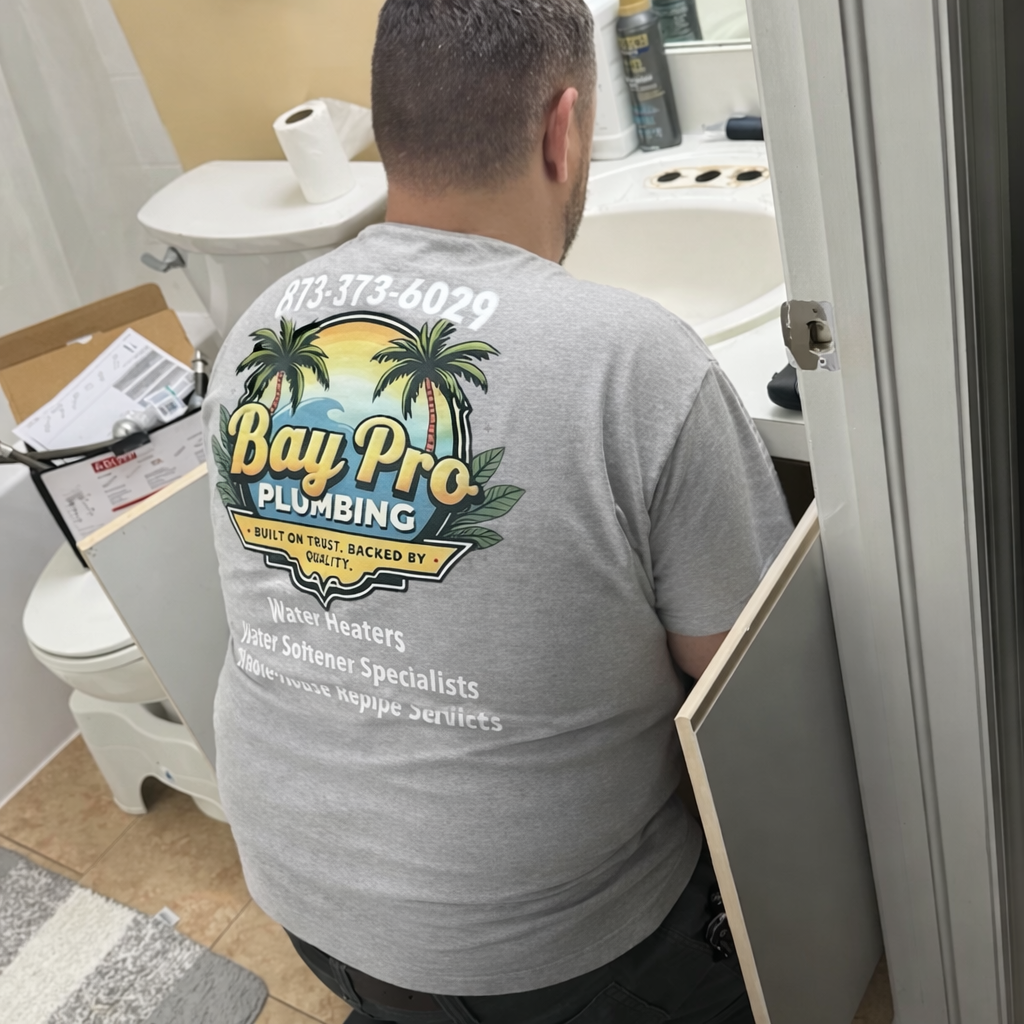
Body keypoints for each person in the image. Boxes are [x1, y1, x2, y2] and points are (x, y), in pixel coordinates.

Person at [202, 1, 792, 1021]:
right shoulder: (632, 357)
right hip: (553, 951)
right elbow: (737, 669)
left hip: (300, 897)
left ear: (391, 129)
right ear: (564, 130)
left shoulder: (264, 323)